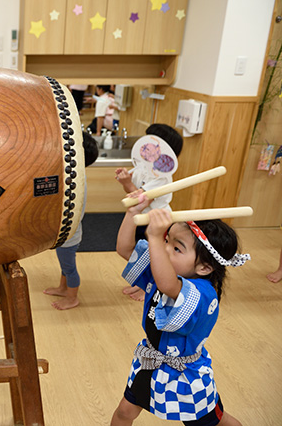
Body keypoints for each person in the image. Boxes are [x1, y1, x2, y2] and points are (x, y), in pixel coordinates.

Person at [110, 191, 249, 426]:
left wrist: (155, 237)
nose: (164, 249)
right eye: (167, 240)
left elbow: (168, 286)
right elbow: (125, 249)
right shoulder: (162, 268)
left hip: (186, 374)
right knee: (125, 412)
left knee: (214, 421)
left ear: (205, 267)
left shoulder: (203, 293)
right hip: (151, 362)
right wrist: (132, 213)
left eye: (177, 248)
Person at [115, 124, 183, 301]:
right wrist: (126, 181)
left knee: (153, 256)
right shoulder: (142, 168)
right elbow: (133, 194)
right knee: (139, 253)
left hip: (157, 222)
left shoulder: (162, 177)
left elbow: (141, 198)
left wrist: (127, 183)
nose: (144, 146)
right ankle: (142, 283)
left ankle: (148, 288)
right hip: (142, 218)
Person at [43, 133, 99, 309]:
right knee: (64, 264)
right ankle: (63, 288)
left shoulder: (76, 179)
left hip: (70, 234)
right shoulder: (75, 173)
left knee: (69, 267)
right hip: (67, 232)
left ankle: (72, 297)